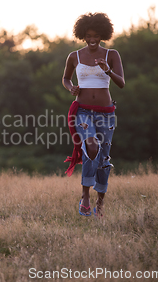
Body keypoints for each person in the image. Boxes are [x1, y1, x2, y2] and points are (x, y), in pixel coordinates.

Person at [62, 12, 125, 217]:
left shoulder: (112, 55)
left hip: (106, 113)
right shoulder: (74, 56)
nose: (92, 39)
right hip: (82, 111)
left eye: (96, 35)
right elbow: (65, 79)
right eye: (88, 35)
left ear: (103, 35)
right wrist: (70, 87)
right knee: (91, 146)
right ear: (82, 35)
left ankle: (100, 204)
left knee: (103, 158)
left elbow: (121, 83)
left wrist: (107, 71)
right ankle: (85, 196)